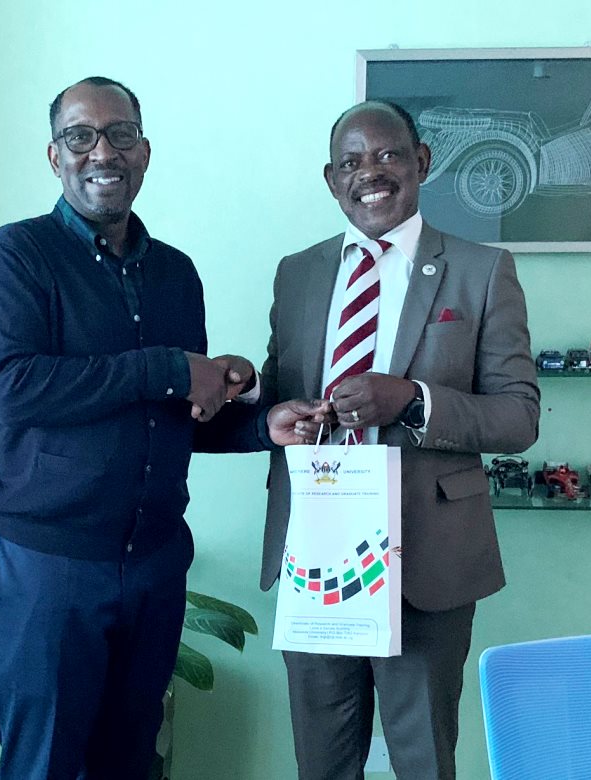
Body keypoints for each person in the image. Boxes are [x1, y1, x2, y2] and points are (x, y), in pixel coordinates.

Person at [0, 76, 321, 779]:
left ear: (145, 150)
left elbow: (180, 416)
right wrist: (168, 367)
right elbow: (14, 389)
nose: (103, 151)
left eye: (120, 134)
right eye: (81, 136)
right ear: (54, 155)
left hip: (153, 566)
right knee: (44, 767)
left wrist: (259, 426)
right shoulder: (16, 256)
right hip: (44, 568)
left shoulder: (175, 276)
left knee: (132, 765)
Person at [217, 100, 540, 779]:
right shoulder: (297, 272)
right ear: (331, 180)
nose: (371, 173)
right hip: (318, 554)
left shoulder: (482, 270)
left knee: (422, 759)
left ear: (421, 162)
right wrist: (261, 399)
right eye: (351, 162)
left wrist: (413, 400)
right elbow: (282, 388)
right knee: (323, 763)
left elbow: (517, 419)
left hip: (427, 561)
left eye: (388, 154)